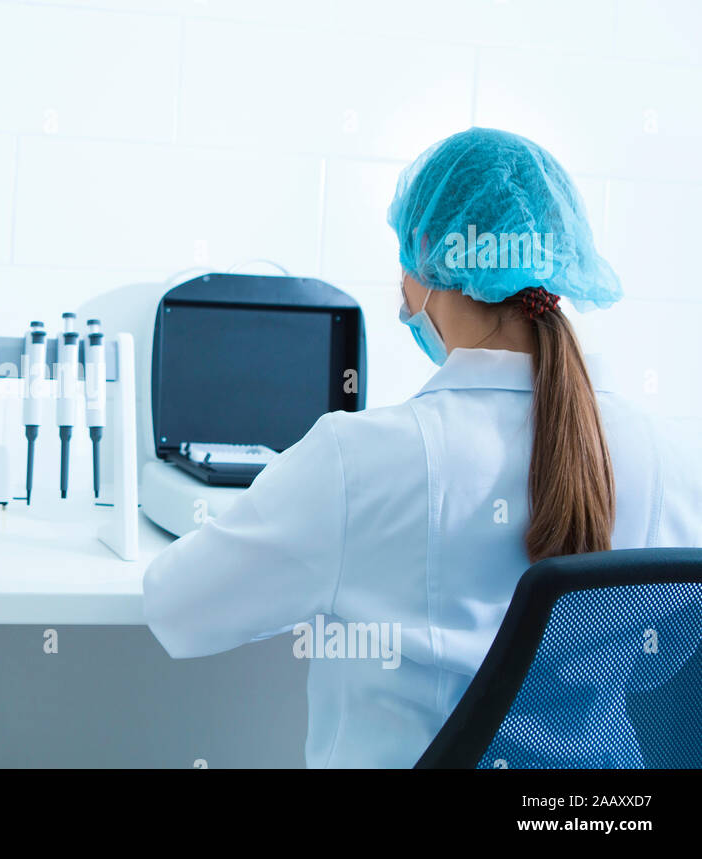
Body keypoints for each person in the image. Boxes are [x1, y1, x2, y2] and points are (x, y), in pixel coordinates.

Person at [142, 127, 702, 768]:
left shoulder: (361, 460)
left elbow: (176, 608)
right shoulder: (668, 459)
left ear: (430, 255)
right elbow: (670, 663)